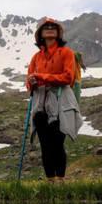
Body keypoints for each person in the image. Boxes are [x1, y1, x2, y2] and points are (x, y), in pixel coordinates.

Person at [26, 18, 84, 184]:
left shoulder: (66, 53)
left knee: (57, 143)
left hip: (61, 103)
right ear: (41, 34)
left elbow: (68, 78)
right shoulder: (36, 57)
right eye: (46, 27)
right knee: (45, 145)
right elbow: (28, 83)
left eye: (53, 27)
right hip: (40, 104)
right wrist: (32, 82)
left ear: (58, 33)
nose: (50, 29)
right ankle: (51, 181)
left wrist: (41, 77)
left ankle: (60, 180)